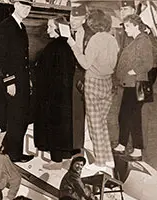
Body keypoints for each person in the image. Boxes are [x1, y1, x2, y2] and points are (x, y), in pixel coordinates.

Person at [67, 9, 119, 174]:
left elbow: (85, 63)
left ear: (92, 23)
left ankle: (100, 162)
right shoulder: (112, 39)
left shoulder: (96, 40)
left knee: (94, 124)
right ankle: (108, 158)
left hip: (94, 83)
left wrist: (73, 45)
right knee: (102, 123)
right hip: (107, 83)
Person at [34, 17, 78, 167]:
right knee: (64, 126)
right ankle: (66, 158)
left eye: (50, 27)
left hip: (52, 95)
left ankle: (56, 160)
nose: (47, 30)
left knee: (53, 126)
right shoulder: (67, 46)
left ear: (59, 28)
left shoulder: (54, 47)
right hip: (65, 95)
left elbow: (45, 72)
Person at [0, 0, 34, 163]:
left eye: (29, 7)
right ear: (16, 5)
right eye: (24, 6)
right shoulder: (6, 26)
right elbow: (2, 56)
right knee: (16, 117)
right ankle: (14, 154)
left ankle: (7, 148)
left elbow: (23, 58)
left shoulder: (20, 26)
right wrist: (9, 81)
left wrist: (28, 79)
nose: (27, 10)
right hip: (13, 80)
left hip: (22, 79)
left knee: (22, 115)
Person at [113, 14, 153, 161]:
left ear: (136, 26)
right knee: (129, 116)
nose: (125, 29)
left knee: (128, 116)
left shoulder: (143, 41)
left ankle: (130, 148)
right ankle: (129, 147)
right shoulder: (136, 40)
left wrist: (133, 71)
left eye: (128, 26)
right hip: (131, 84)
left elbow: (148, 63)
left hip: (136, 84)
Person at [69, 4, 92, 156]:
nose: (73, 21)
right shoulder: (68, 30)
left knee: (77, 114)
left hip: (81, 76)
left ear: (84, 19)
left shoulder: (90, 36)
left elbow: (87, 62)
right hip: (69, 75)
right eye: (72, 17)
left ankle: (77, 150)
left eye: (77, 18)